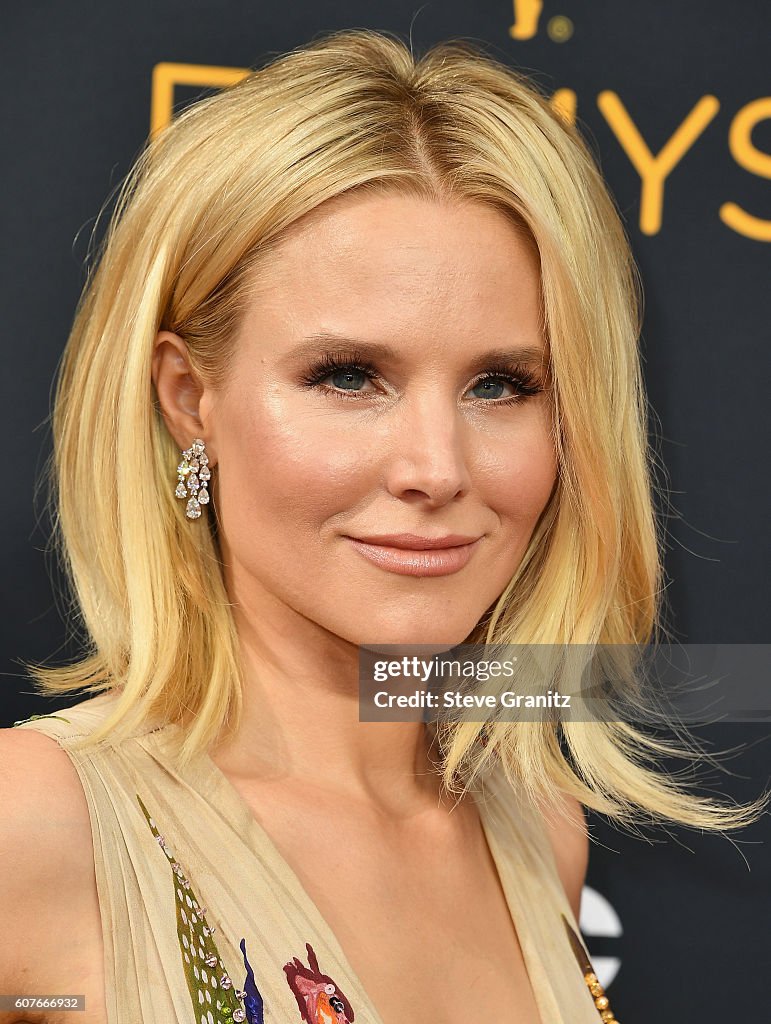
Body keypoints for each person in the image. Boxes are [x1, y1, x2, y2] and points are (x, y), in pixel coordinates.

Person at [1, 27, 765, 1024]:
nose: (436, 469)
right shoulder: (35, 824)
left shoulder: (538, 830)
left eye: (503, 384)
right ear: (191, 400)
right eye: (348, 376)